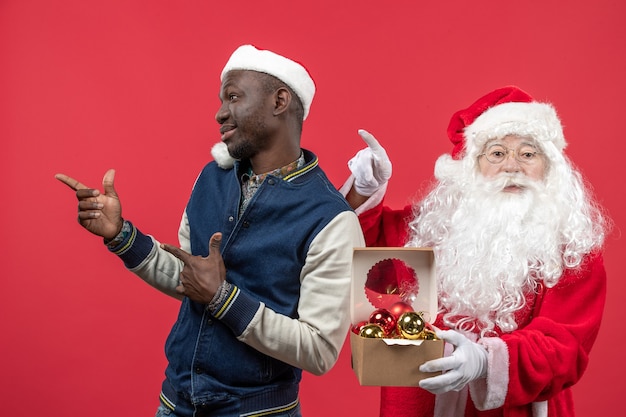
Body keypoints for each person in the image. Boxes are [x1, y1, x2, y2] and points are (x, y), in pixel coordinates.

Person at [56, 44, 365, 417]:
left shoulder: (330, 219)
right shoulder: (211, 179)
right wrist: (120, 235)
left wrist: (222, 298)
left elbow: (318, 350)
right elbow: (190, 279)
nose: (220, 113)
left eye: (233, 97)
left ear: (279, 101)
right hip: (175, 403)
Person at [341, 86, 609, 417]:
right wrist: (363, 190)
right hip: (418, 404)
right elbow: (363, 249)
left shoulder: (573, 250)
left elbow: (565, 347)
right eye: (496, 153)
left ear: (550, 166)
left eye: (528, 154)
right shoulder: (429, 227)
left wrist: (486, 362)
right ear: (472, 165)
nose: (512, 167)